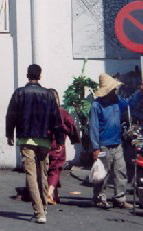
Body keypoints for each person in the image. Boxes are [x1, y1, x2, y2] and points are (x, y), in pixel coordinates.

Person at [6, 64, 64, 224]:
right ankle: (43, 208)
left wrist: (9, 134)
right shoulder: (48, 95)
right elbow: (56, 119)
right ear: (40, 76)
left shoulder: (19, 93)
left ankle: (39, 212)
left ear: (27, 75)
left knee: (31, 175)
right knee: (42, 174)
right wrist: (59, 139)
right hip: (44, 139)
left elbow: (11, 115)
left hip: (26, 139)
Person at [89, 73, 143, 209]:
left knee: (121, 171)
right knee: (103, 174)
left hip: (117, 143)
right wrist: (95, 148)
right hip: (103, 145)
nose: (115, 91)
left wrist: (139, 91)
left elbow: (130, 102)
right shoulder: (96, 105)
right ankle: (99, 197)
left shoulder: (117, 101)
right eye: (112, 89)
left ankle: (120, 198)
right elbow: (94, 127)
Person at [47, 89, 80, 205]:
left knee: (48, 169)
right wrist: (74, 139)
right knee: (55, 170)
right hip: (58, 146)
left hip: (44, 145)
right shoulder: (62, 112)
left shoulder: (42, 112)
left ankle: (55, 194)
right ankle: (49, 193)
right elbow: (72, 126)